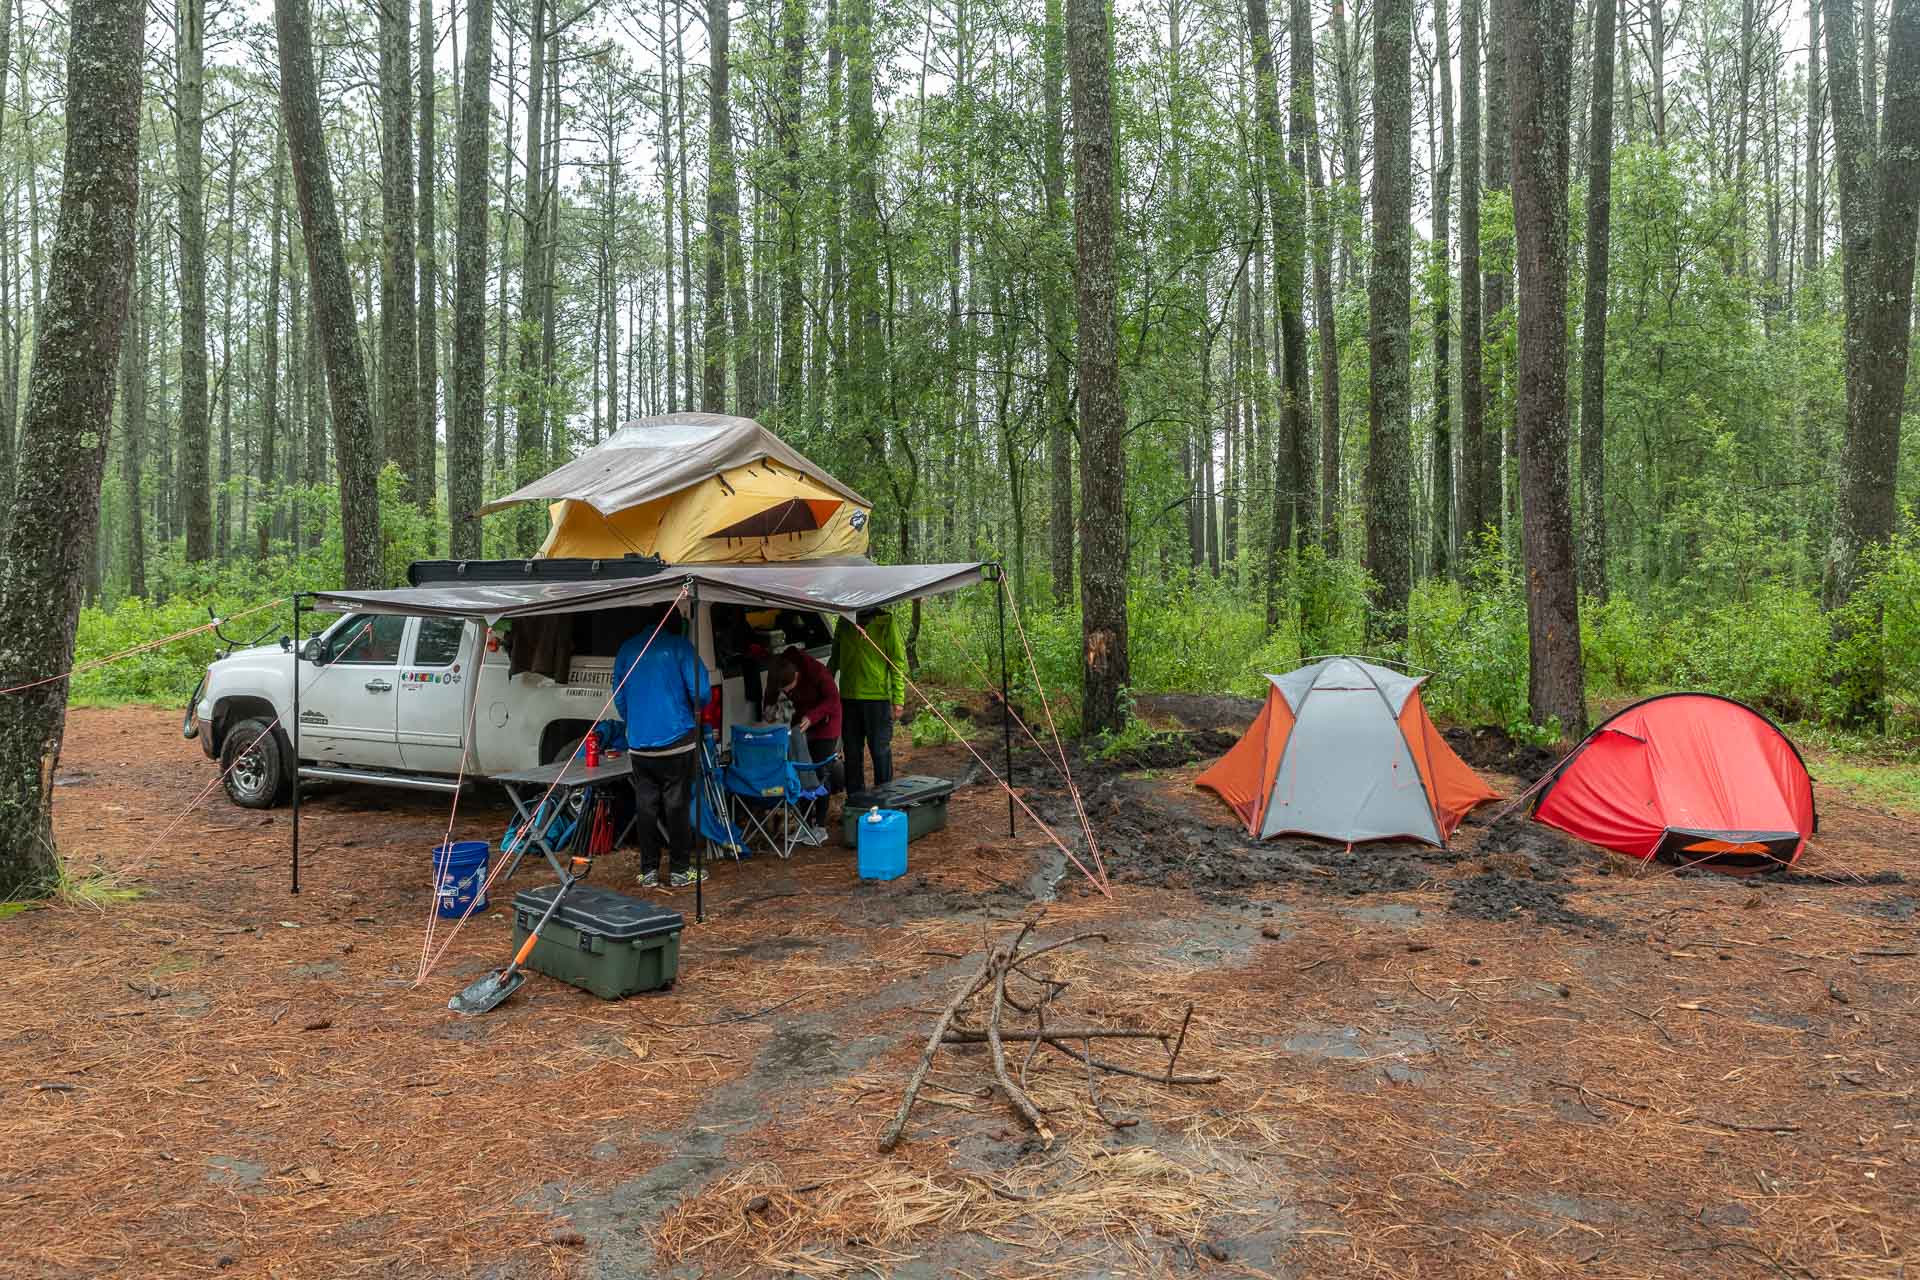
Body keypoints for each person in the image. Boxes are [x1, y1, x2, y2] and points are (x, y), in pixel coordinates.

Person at [611, 605, 710, 889]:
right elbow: (701, 692)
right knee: (677, 805)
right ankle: (680, 870)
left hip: (639, 744)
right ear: (673, 623)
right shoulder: (679, 647)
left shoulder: (627, 649)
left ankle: (648, 872)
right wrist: (690, 712)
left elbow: (618, 697)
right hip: (676, 740)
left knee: (646, 806)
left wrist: (636, 720)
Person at [830, 607, 906, 796]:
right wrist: (825, 686)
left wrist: (898, 698)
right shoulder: (844, 620)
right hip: (848, 697)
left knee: (880, 752)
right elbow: (835, 657)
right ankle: (855, 801)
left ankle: (885, 799)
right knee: (852, 753)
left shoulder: (886, 621)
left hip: (876, 698)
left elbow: (896, 661)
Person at [767, 647, 844, 823]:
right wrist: (769, 708)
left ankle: (821, 822)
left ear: (797, 675)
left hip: (826, 721)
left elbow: (833, 700)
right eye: (785, 691)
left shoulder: (816, 671)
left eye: (790, 689)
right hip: (800, 721)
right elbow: (771, 694)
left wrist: (813, 717)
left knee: (819, 769)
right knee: (799, 769)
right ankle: (805, 820)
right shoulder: (778, 670)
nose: (788, 693)